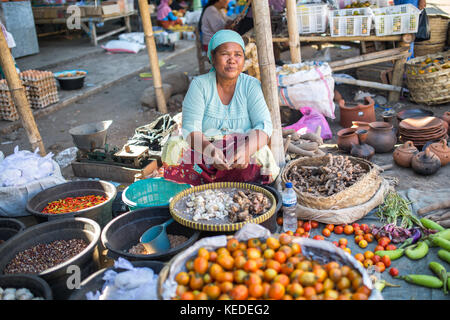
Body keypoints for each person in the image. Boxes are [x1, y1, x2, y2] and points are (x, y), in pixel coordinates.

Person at [162, 30, 280, 186]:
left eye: (238, 55)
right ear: (213, 57)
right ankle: (194, 190)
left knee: (260, 153)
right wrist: (211, 152)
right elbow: (191, 129)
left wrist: (245, 151)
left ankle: (248, 190)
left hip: (240, 149)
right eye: (225, 54)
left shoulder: (251, 85)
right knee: (175, 147)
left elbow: (264, 126)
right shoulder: (199, 85)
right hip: (205, 149)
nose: (232, 60)